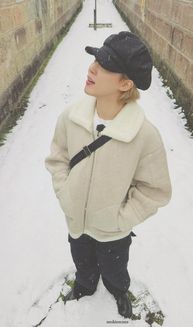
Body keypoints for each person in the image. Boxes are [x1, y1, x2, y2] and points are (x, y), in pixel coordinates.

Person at [45, 31, 172, 319]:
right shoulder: (71, 118)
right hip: (77, 221)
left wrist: (121, 218)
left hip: (114, 232)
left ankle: (118, 290)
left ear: (125, 83)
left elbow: (155, 189)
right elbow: (57, 158)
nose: (92, 68)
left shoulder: (144, 135)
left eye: (104, 66)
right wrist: (66, 194)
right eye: (94, 61)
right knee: (83, 262)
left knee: (115, 268)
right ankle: (86, 286)